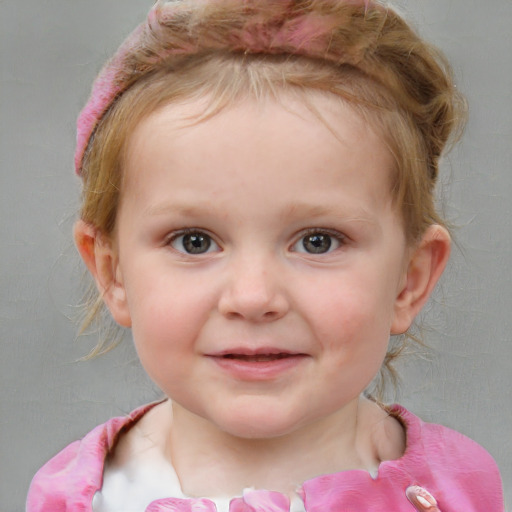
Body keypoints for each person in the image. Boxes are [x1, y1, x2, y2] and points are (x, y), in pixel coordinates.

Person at [27, 0, 505, 511]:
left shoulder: (458, 490)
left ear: (409, 281)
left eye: (317, 241)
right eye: (195, 241)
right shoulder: (81, 499)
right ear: (113, 272)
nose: (253, 298)